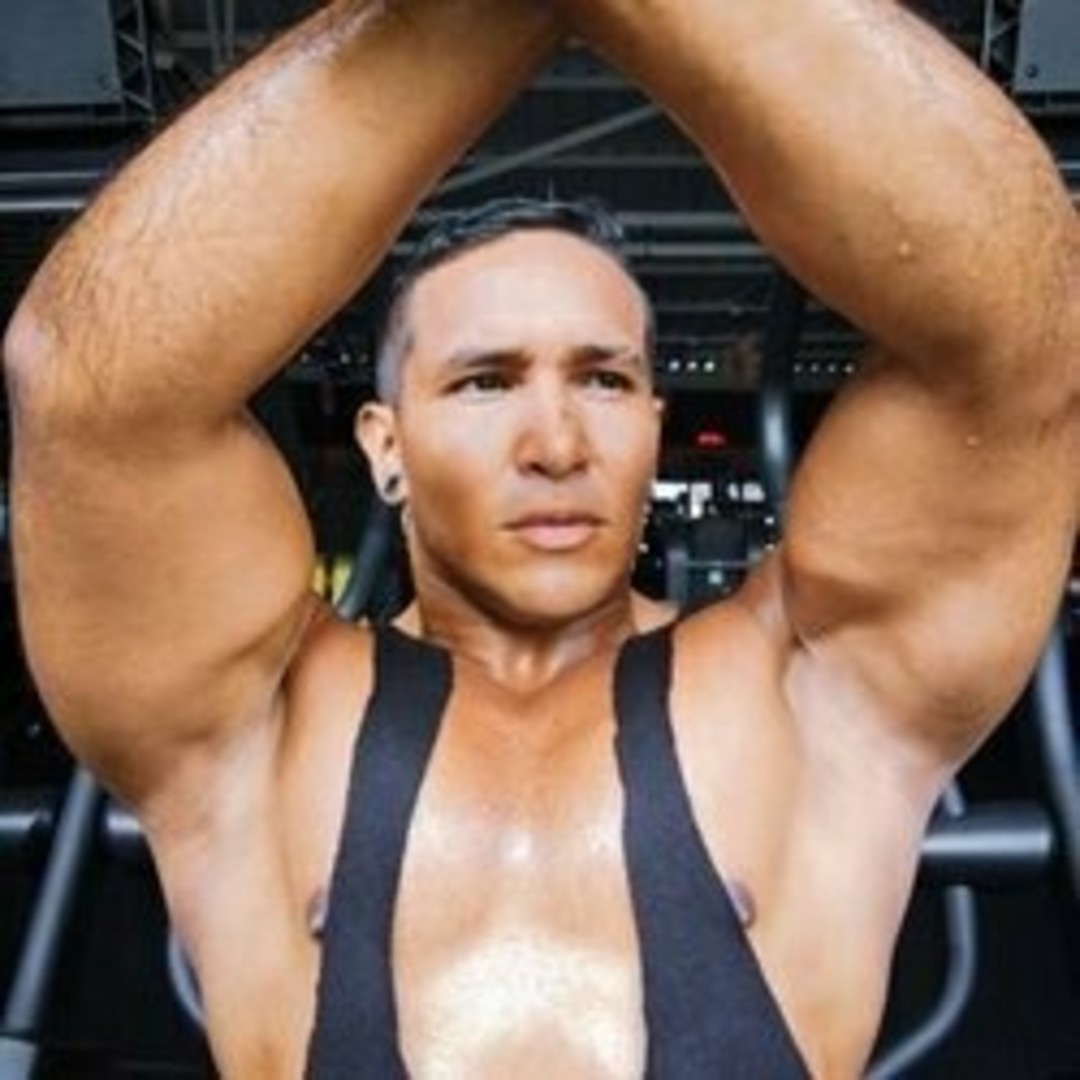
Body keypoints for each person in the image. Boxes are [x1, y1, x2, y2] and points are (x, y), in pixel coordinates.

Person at [3, 0, 1077, 1075]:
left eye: (603, 380)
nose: (557, 444)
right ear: (385, 444)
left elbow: (1021, 318)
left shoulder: (810, 692)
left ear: (653, 425)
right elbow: (90, 391)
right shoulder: (261, 722)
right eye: (486, 382)